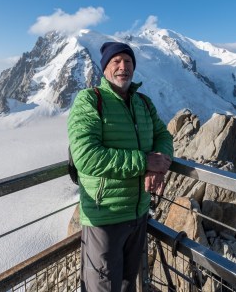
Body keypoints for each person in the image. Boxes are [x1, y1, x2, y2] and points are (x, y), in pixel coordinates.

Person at [67, 41, 174, 292]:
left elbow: (164, 136)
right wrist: (144, 162)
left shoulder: (144, 104)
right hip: (105, 216)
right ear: (104, 68)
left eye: (128, 62)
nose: (123, 66)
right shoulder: (90, 101)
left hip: (138, 214)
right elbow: (86, 156)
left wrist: (157, 165)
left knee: (128, 284)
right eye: (116, 61)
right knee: (102, 286)